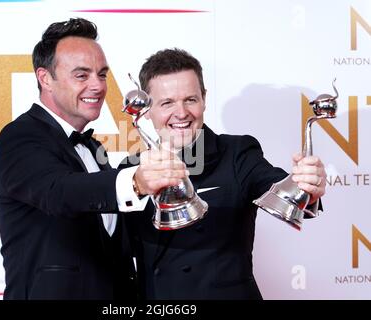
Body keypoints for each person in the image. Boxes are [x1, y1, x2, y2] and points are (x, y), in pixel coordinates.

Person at [0, 18, 187, 300]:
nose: (98, 86)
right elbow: (58, 191)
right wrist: (136, 181)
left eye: (102, 74)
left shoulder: (93, 147)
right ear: (45, 78)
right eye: (82, 76)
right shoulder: (20, 136)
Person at [120, 48, 327, 300]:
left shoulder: (237, 153)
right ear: (146, 109)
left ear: (204, 99)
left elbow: (276, 186)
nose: (182, 113)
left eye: (190, 99)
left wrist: (305, 187)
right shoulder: (130, 171)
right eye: (167, 103)